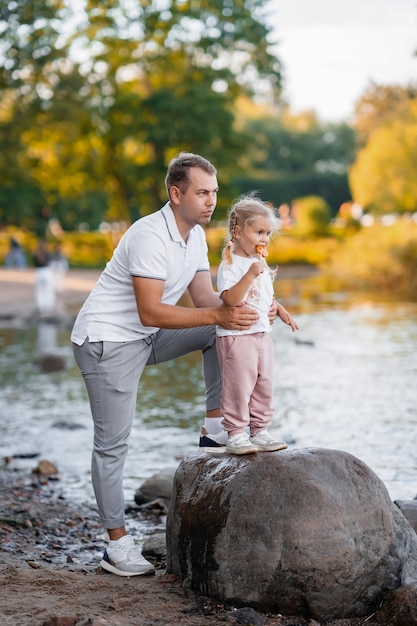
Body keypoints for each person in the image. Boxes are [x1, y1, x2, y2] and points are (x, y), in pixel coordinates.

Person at [71, 153, 265, 577]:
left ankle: (215, 427)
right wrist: (219, 316)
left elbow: (206, 304)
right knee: (112, 444)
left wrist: (249, 307)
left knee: (224, 332)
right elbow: (151, 312)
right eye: (202, 192)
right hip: (108, 341)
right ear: (176, 194)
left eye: (214, 192)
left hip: (144, 338)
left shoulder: (195, 236)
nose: (211, 200)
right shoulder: (149, 236)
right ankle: (116, 544)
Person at [216, 194, 299, 455]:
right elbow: (229, 299)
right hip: (236, 336)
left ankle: (259, 429)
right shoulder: (230, 263)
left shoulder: (259, 262)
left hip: (262, 334)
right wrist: (250, 273)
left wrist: (282, 311)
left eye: (267, 233)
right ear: (238, 231)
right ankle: (236, 433)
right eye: (258, 232)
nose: (264, 238)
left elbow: (266, 295)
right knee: (239, 385)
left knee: (264, 382)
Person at [33, 239, 56, 315]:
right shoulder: (47, 254)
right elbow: (51, 262)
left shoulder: (36, 254)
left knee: (40, 290)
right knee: (48, 290)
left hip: (38, 272)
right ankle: (49, 305)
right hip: (46, 272)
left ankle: (41, 306)